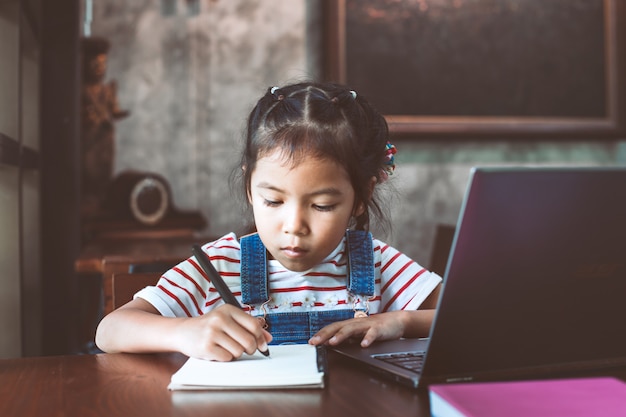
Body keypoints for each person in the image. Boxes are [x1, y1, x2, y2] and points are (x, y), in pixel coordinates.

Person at [95, 82, 442, 362]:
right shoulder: (221, 263)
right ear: (249, 187)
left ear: (361, 197)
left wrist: (401, 321)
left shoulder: (377, 264)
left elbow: (468, 319)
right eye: (273, 201)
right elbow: (109, 330)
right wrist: (186, 332)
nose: (294, 225)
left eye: (322, 205)